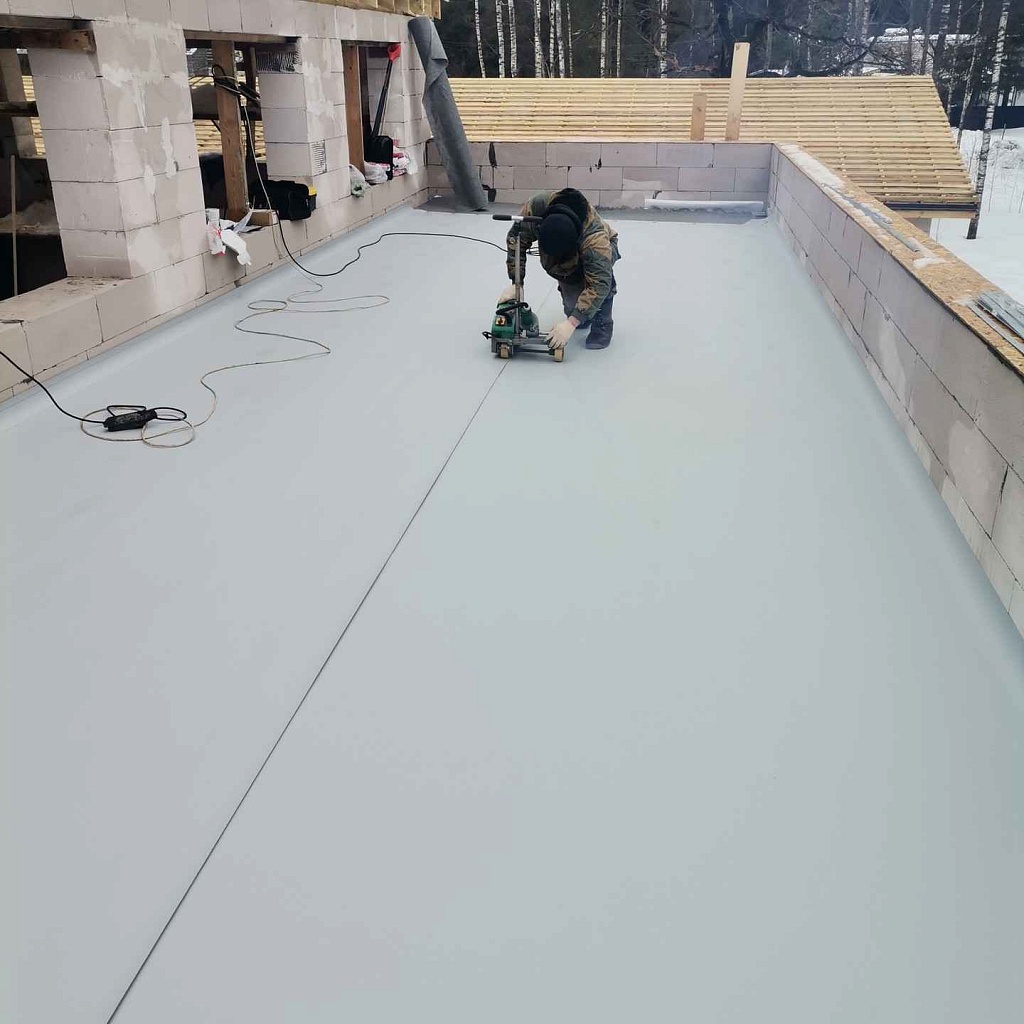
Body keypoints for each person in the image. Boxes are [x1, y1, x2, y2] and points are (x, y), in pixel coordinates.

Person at [499, 188, 620, 352]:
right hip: (563, 250)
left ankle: (603, 322)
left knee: (597, 281)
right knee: (573, 307)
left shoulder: (595, 241)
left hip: (601, 251)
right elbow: (517, 240)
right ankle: (580, 309)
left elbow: (600, 283)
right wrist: (516, 282)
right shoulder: (537, 208)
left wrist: (572, 322)